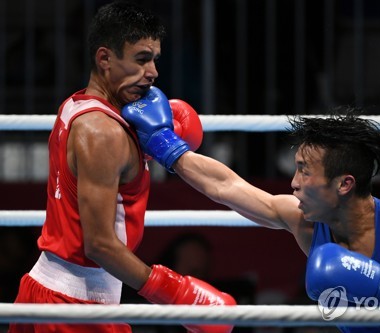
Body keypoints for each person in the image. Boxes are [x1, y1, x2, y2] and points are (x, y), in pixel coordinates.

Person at [122, 92, 380, 333]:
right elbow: (226, 187)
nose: (293, 182)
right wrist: (167, 147)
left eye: (304, 170)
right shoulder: (304, 221)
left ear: (344, 184)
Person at [9, 2, 235, 333]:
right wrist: (176, 294)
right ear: (105, 59)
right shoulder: (103, 133)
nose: (154, 72)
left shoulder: (76, 105)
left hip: (50, 292)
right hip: (76, 307)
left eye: (155, 59)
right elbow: (99, 244)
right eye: (142, 59)